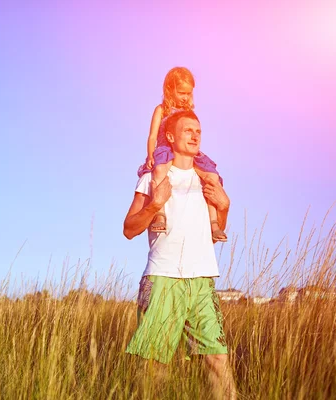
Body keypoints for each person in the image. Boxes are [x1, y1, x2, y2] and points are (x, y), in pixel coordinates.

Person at [125, 109, 237, 400]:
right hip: (164, 278)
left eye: (198, 130)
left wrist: (223, 208)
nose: (195, 135)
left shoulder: (208, 180)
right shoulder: (153, 177)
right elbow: (129, 228)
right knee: (154, 368)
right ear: (171, 137)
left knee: (217, 360)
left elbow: (215, 233)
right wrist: (154, 205)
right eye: (188, 130)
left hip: (201, 281)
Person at [138, 67, 226, 241]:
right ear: (170, 90)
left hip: (185, 153)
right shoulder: (161, 109)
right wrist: (150, 155)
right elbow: (152, 135)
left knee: (212, 177)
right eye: (181, 93)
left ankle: (214, 223)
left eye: (188, 93)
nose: (185, 97)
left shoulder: (189, 113)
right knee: (159, 171)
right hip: (165, 150)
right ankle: (160, 214)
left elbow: (191, 135)